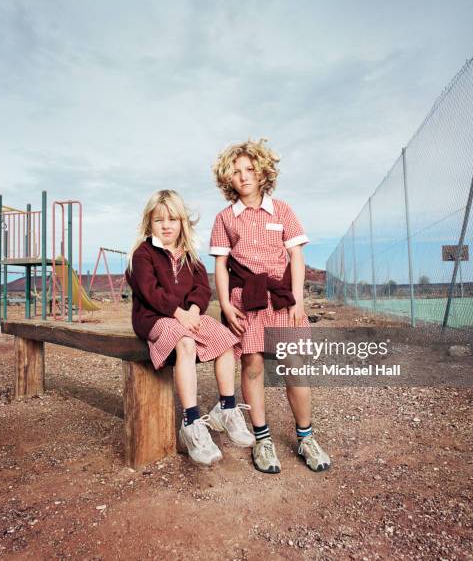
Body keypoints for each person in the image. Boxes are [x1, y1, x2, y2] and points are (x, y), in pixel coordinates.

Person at [210, 139, 331, 474]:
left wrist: (297, 300)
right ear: (227, 179)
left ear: (263, 172)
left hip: (281, 300)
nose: (244, 177)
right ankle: (262, 439)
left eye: (249, 169)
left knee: (294, 366)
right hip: (245, 301)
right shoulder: (225, 218)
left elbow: (296, 256)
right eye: (236, 172)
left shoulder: (283, 210)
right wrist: (224, 303)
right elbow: (220, 265)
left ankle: (306, 437)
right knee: (252, 365)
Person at [125, 189, 255, 467]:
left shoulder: (190, 256)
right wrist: (178, 313)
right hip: (154, 317)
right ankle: (192, 421)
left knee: (226, 339)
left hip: (187, 315)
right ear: (149, 223)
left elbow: (202, 288)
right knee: (185, 342)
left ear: (183, 222)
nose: (166, 225)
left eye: (173, 219)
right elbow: (150, 290)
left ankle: (227, 407)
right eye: (159, 220)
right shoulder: (143, 254)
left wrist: (194, 310)